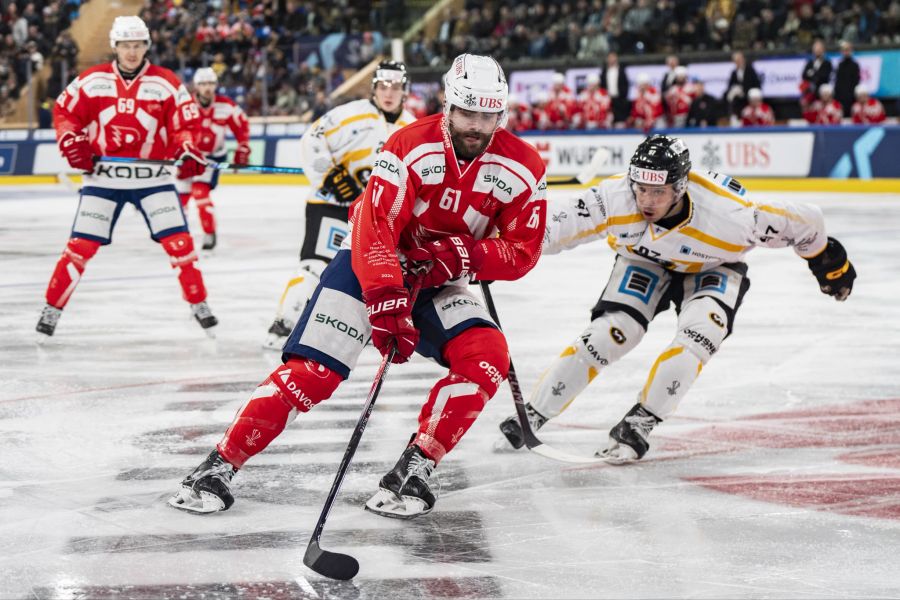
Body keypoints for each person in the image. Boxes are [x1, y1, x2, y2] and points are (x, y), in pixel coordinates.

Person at [170, 53, 547, 517]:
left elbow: (523, 250)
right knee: (316, 373)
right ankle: (218, 465)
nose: (477, 124)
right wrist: (386, 296)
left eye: (488, 115)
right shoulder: (408, 143)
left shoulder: (524, 165)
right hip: (366, 264)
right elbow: (375, 227)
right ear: (447, 105)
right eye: (467, 112)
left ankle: (416, 465)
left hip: (437, 278)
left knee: (487, 356)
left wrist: (458, 256)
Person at [498, 134, 855, 462]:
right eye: (640, 189)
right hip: (643, 260)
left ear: (681, 187)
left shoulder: (731, 214)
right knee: (612, 333)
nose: (647, 201)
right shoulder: (614, 196)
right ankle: (535, 411)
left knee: (699, 335)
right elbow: (551, 229)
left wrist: (828, 264)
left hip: (714, 266)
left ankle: (640, 422)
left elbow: (807, 220)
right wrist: (498, 250)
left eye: (659, 193)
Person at [36, 16, 216, 339]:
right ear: (115, 46)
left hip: (153, 179)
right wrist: (70, 139)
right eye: (125, 45)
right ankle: (51, 309)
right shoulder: (92, 81)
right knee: (79, 247)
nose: (132, 52)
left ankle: (199, 303)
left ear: (146, 46)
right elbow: (65, 113)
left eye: (137, 45)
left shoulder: (166, 83)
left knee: (181, 245)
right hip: (103, 179)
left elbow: (183, 127)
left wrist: (187, 149)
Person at [262, 61, 417, 350]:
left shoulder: (411, 127)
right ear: (374, 88)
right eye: (383, 86)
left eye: (395, 87)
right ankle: (284, 321)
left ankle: (366, 327)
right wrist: (328, 175)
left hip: (373, 216)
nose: (389, 93)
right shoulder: (350, 115)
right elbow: (313, 138)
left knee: (371, 272)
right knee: (314, 267)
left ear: (404, 90)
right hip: (331, 204)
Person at [175, 68, 250, 251]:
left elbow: (242, 126)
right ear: (196, 86)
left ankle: (209, 233)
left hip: (211, 159)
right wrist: (178, 152)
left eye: (210, 83)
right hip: (187, 157)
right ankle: (178, 236)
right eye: (203, 84)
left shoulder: (227, 106)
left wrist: (243, 146)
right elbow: (174, 129)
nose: (207, 88)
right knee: (180, 199)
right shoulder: (185, 106)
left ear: (216, 85)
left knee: (200, 194)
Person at [834, 40, 860, 117]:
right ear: (841, 52)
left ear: (851, 51)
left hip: (851, 97)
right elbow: (837, 81)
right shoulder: (839, 65)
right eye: (844, 50)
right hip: (840, 97)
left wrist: (853, 96)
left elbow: (856, 81)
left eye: (848, 50)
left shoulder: (855, 65)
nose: (846, 52)